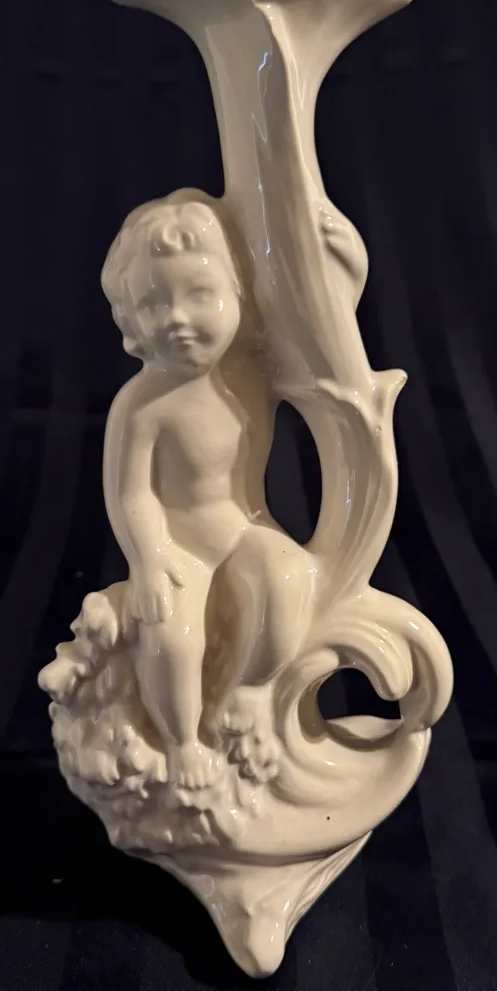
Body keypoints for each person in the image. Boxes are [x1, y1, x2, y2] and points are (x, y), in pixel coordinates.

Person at [102, 195, 315, 790]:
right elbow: (132, 494)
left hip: (242, 528)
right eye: (154, 303)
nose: (178, 318)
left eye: (201, 295)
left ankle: (251, 689)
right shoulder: (142, 405)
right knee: (172, 638)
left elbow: (323, 311)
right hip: (179, 548)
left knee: (289, 578)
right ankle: (182, 741)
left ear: (240, 294)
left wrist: (332, 246)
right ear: (129, 318)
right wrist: (149, 559)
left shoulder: (253, 374)